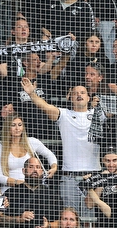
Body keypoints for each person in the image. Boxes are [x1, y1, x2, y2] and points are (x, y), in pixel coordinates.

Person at [22, 79, 101, 213]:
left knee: (91, 221)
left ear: (89, 97)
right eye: (75, 93)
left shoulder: (98, 115)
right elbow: (46, 106)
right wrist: (31, 93)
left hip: (93, 176)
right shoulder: (64, 114)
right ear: (70, 98)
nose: (79, 95)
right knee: (69, 219)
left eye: (82, 92)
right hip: (69, 178)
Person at [0, 115, 57, 190]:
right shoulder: (0, 147)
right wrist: (20, 183)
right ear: (7, 128)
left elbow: (50, 155)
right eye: (13, 125)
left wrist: (54, 167)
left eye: (20, 125)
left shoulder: (32, 142)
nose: (17, 128)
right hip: (10, 190)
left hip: (32, 189)